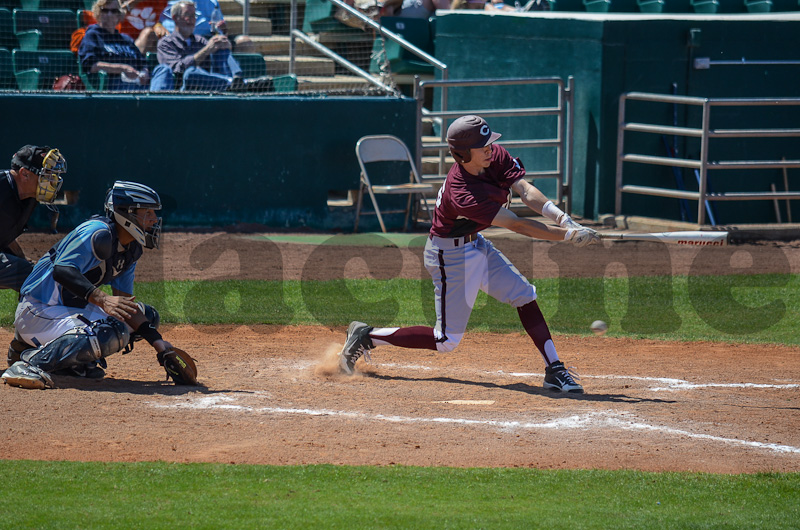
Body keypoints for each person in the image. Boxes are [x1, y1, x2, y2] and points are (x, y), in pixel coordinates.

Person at [338, 115, 600, 394]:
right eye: (482, 145)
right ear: (463, 154)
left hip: (476, 244)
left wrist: (564, 220)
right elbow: (516, 224)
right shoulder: (461, 193)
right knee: (446, 340)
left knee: (524, 295)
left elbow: (524, 189)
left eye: (489, 143)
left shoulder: (493, 156)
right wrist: (566, 237)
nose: (490, 148)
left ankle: (555, 370)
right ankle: (367, 336)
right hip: (449, 256)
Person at [2, 181, 173, 389]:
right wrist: (103, 299)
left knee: (147, 316)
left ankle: (63, 362)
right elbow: (62, 270)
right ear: (126, 214)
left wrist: (161, 346)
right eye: (148, 213)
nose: (154, 220)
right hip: (38, 309)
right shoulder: (97, 232)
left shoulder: (130, 249)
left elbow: (127, 307)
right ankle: (30, 362)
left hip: (65, 312)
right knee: (111, 331)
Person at [149, 0, 273, 92]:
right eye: (189, 16)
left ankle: (238, 79)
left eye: (194, 16)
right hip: (185, 90)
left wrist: (224, 42)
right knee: (190, 73)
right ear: (175, 18)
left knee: (221, 48)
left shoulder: (200, 40)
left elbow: (216, 57)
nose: (193, 20)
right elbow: (178, 69)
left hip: (210, 87)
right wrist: (206, 50)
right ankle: (237, 84)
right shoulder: (166, 43)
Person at [0, 146, 66, 296]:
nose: (51, 181)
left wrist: (23, 258)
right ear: (24, 174)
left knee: (36, 271)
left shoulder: (29, 197)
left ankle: (32, 312)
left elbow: (4, 233)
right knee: (30, 274)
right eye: (46, 175)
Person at [78, 0, 150, 91]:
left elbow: (143, 63)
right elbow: (90, 65)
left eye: (114, 11)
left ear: (119, 14)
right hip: (112, 86)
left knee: (163, 70)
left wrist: (144, 73)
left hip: (137, 83)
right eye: (105, 11)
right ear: (98, 13)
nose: (109, 14)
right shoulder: (92, 35)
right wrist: (122, 68)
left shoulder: (126, 39)